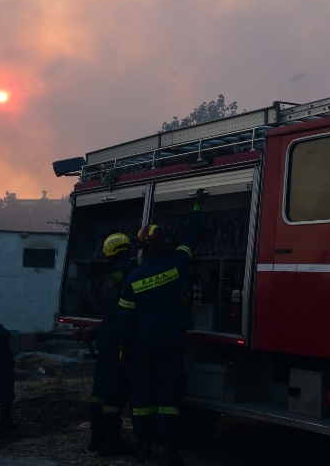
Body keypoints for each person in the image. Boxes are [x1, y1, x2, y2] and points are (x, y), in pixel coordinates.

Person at [119, 192, 204, 465]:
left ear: (140, 247)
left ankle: (143, 450)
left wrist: (125, 350)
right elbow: (191, 241)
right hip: (170, 342)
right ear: (161, 243)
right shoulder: (175, 264)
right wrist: (197, 209)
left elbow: (125, 320)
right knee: (169, 396)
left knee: (143, 395)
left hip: (143, 345)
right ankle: (169, 451)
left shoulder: (132, 279)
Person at [88, 232, 139, 455]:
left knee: (99, 388)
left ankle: (96, 437)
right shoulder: (126, 269)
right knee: (114, 390)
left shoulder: (113, 273)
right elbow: (140, 262)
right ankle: (111, 442)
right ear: (125, 250)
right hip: (116, 335)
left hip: (107, 334)